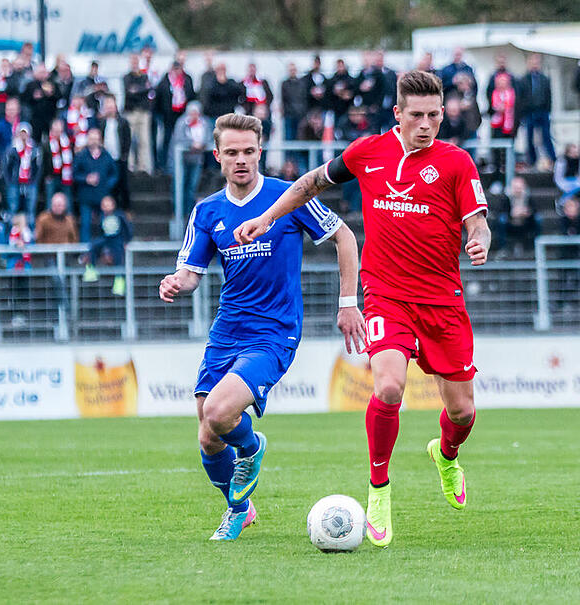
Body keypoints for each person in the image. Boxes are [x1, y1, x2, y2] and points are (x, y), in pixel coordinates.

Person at [234, 71, 491, 548]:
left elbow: (477, 222)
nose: (427, 125)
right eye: (417, 116)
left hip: (442, 300)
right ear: (398, 114)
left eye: (434, 116)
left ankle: (447, 454)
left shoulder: (456, 162)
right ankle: (378, 489)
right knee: (389, 387)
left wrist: (478, 241)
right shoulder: (367, 152)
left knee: (463, 412)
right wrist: (266, 216)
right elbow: (310, 183)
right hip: (386, 293)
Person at [158, 113, 365, 541]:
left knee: (218, 412)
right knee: (207, 435)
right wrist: (177, 282)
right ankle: (239, 510)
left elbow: (345, 238)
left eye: (249, 152)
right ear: (217, 156)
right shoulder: (208, 211)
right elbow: (192, 272)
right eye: (231, 152)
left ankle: (252, 448)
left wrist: (348, 303)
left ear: (260, 152)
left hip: (273, 332)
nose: (241, 160)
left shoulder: (287, 198)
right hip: (226, 330)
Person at [73, 128, 118, 242]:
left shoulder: (106, 155)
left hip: (102, 196)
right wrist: (86, 179)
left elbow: (114, 174)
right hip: (86, 196)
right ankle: (85, 253)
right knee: (85, 225)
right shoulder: (81, 155)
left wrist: (106, 185)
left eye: (96, 138)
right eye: (91, 138)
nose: (93, 141)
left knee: (105, 225)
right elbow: (74, 174)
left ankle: (105, 250)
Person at [82, 195, 132, 295]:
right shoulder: (101, 216)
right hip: (106, 238)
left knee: (118, 256)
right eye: (104, 205)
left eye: (109, 205)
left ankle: (119, 279)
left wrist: (126, 241)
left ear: (113, 205)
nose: (106, 207)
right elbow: (99, 230)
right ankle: (90, 269)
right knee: (93, 246)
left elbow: (127, 229)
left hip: (117, 239)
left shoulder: (119, 215)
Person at [172, 101, 212, 217]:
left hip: (197, 159)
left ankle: (188, 211)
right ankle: (178, 212)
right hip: (182, 160)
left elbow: (209, 137)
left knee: (192, 186)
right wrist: (191, 144)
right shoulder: (181, 122)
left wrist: (201, 144)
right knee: (179, 185)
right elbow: (178, 139)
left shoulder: (204, 123)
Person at [517, 53, 555, 168]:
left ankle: (552, 159)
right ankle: (532, 161)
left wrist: (548, 111)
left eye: (537, 62)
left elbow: (549, 96)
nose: (535, 64)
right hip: (529, 113)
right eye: (532, 62)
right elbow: (521, 97)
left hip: (542, 112)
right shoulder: (523, 80)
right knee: (529, 138)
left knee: (546, 137)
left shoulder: (545, 79)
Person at [97, 95, 132, 210]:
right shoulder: (101, 122)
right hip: (106, 159)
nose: (110, 109)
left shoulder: (122, 122)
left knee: (123, 184)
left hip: (119, 158)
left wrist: (124, 155)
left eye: (111, 106)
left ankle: (125, 209)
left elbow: (127, 139)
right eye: (107, 106)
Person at [2, 122, 41, 226]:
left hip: (30, 182)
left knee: (30, 210)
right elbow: (6, 167)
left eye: (25, 133)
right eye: (21, 133)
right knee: (13, 208)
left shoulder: (34, 149)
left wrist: (34, 180)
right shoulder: (11, 149)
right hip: (15, 182)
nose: (23, 136)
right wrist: (9, 181)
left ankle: (30, 235)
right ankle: (12, 234)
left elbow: (38, 167)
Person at [123, 53, 154, 173]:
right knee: (129, 140)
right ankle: (130, 166)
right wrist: (142, 90)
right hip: (131, 112)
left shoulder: (144, 76)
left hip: (143, 112)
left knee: (144, 141)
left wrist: (138, 90)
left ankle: (143, 167)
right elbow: (130, 92)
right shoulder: (127, 77)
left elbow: (147, 89)